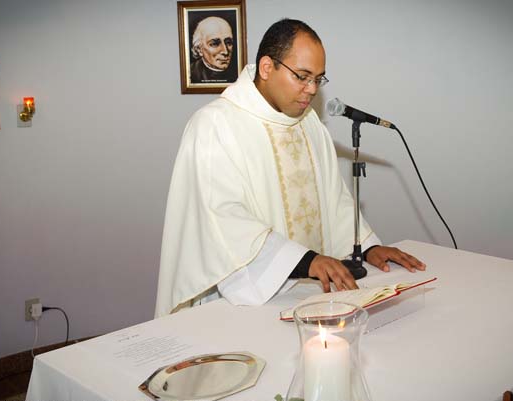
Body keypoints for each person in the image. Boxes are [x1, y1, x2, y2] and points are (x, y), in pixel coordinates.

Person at [156, 19, 425, 317]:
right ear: (267, 67)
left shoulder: (309, 123)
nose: (311, 90)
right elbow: (220, 219)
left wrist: (367, 248)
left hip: (311, 295)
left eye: (318, 79)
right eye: (302, 76)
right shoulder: (214, 125)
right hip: (239, 299)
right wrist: (305, 260)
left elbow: (333, 201)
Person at [189, 16, 237, 83]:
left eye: (228, 43)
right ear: (199, 49)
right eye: (215, 44)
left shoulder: (239, 73)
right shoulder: (190, 73)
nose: (225, 52)